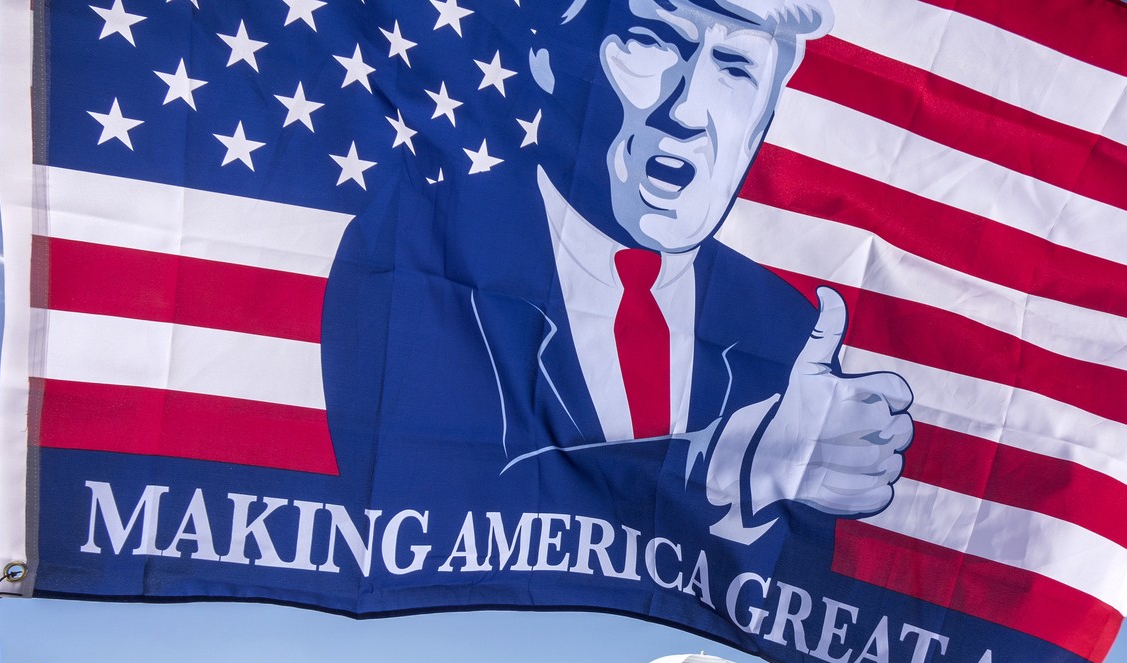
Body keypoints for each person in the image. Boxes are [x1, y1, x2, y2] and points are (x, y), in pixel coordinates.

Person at [322, 0, 911, 553]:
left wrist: (825, 468)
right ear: (550, 61)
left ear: (765, 117)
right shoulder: (421, 244)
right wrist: (708, 470)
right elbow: (421, 509)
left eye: (735, 67)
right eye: (652, 41)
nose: (685, 111)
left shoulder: (786, 332)